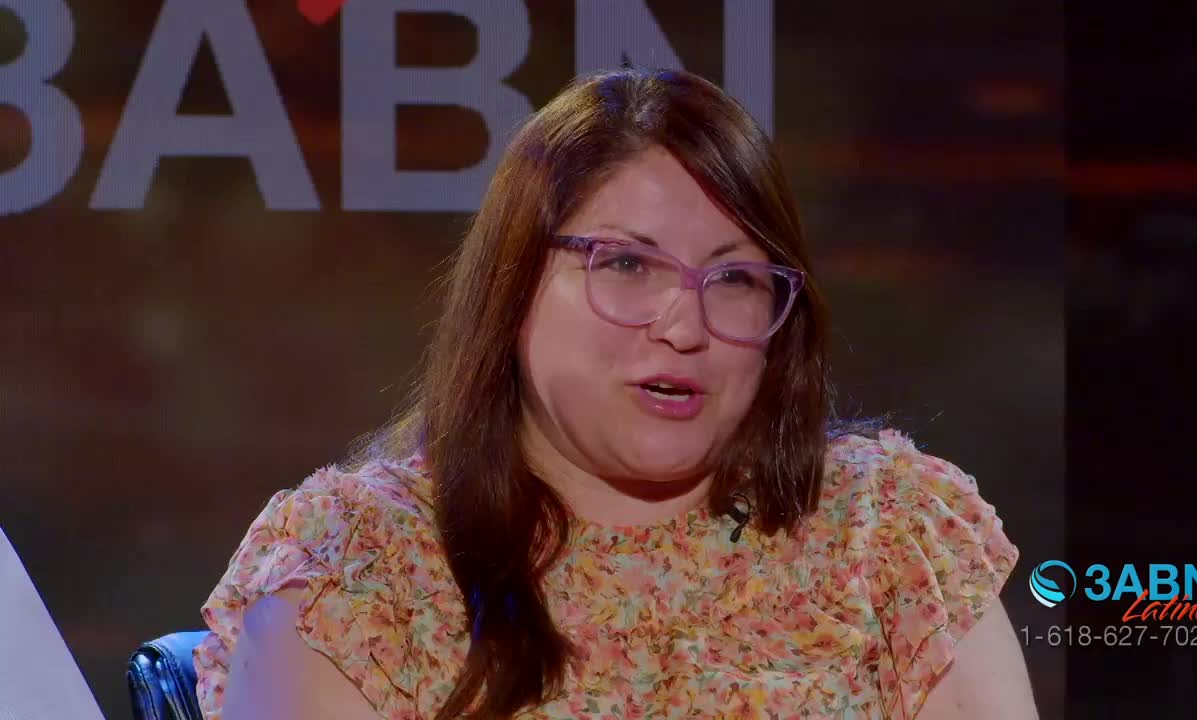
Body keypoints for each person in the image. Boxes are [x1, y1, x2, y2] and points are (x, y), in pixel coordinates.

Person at [192, 66, 1037, 720]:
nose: (685, 325)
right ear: (515, 282)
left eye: (737, 278)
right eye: (627, 265)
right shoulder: (358, 566)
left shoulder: (890, 534)